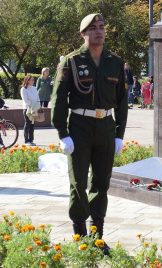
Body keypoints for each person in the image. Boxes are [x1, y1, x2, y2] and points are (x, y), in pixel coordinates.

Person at [51, 13, 127, 246]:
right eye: (93, 28)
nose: (99, 31)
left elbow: (122, 101)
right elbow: (58, 99)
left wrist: (119, 135)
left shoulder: (115, 62)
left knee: (101, 184)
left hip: (106, 127)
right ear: (83, 34)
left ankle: (97, 238)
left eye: (102, 27)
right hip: (79, 127)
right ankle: (80, 237)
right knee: (78, 184)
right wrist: (63, 134)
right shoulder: (72, 61)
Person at [21, 75, 41, 146]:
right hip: (27, 109)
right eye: (32, 80)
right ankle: (26, 140)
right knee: (28, 124)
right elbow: (26, 100)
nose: (33, 81)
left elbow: (38, 98)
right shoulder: (23, 89)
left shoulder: (34, 88)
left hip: (34, 109)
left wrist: (37, 105)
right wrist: (33, 104)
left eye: (33, 80)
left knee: (32, 125)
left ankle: (31, 140)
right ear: (27, 80)